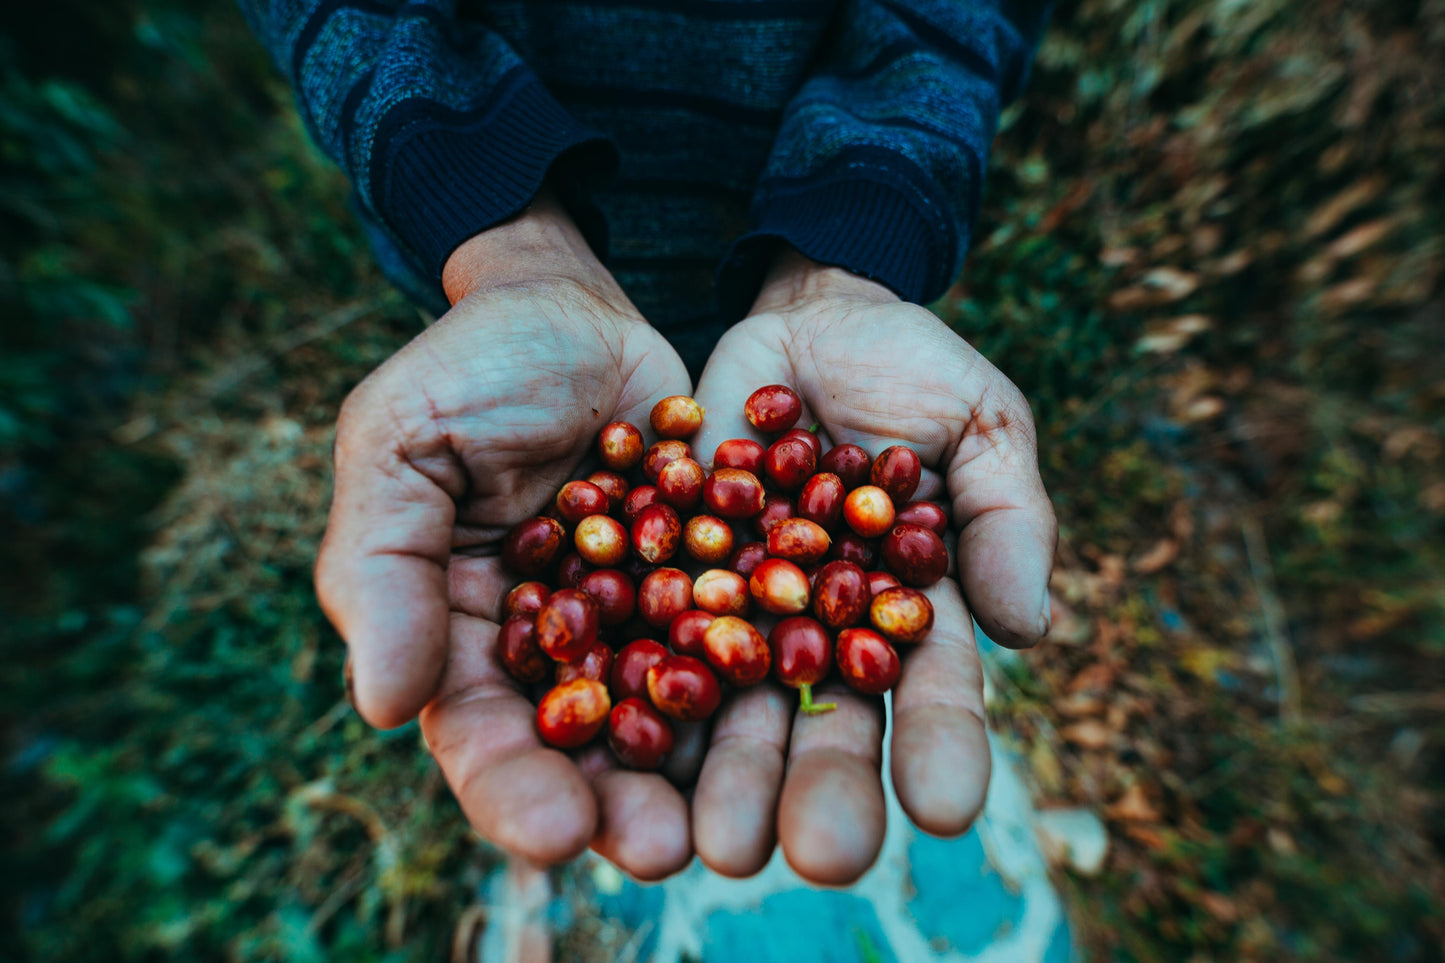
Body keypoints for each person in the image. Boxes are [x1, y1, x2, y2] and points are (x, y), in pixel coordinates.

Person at [239, 0, 1058, 885]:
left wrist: (859, 228)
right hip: (498, 278)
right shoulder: (671, 547)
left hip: (796, 245)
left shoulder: (750, 534)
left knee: (707, 508)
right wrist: (497, 227)